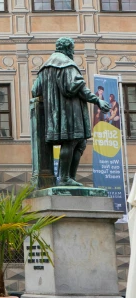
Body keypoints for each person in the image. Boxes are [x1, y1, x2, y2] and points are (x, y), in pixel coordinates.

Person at [31, 37, 110, 187]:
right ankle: (66, 178)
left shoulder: (45, 68)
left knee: (77, 143)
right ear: (67, 48)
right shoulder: (68, 65)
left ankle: (68, 178)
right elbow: (79, 88)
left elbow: (34, 90)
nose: (73, 51)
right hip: (71, 112)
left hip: (53, 116)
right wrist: (98, 101)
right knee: (73, 141)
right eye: (72, 48)